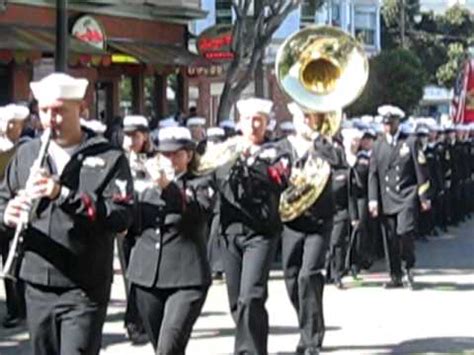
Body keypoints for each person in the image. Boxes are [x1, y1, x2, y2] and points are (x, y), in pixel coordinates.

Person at [0, 73, 134, 355]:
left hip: (84, 286)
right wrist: (6, 215)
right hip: (36, 282)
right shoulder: (26, 155)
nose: (51, 119)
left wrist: (62, 194)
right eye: (45, 111)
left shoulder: (109, 157)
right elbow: (2, 199)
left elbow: (121, 216)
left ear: (82, 109)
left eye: (60, 110)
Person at [213, 98, 290, 355]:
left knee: (252, 295)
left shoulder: (277, 150)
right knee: (237, 302)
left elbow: (279, 179)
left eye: (259, 119)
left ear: (267, 123)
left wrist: (250, 162)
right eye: (248, 119)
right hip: (230, 231)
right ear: (239, 122)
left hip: (261, 232)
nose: (253, 125)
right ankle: (256, 346)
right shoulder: (225, 150)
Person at [127, 126, 213, 354]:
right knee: (163, 349)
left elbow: (197, 214)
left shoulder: (201, 183)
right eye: (164, 154)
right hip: (148, 278)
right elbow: (130, 225)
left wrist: (166, 186)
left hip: (186, 278)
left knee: (169, 347)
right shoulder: (144, 185)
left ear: (189, 155)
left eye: (176, 153)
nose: (170, 158)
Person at [278, 103, 338, 355]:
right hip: (291, 220)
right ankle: (311, 323)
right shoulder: (282, 147)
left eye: (309, 116)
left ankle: (311, 340)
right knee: (291, 278)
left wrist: (317, 138)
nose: (305, 120)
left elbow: (338, 161)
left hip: (319, 221)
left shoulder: (324, 144)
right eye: (301, 116)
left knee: (308, 275)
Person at [368, 105, 430, 289]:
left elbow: (421, 171)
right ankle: (394, 275)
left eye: (391, 122)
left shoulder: (410, 142)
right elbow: (373, 174)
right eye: (385, 123)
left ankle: (408, 268)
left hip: (406, 196)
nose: (387, 126)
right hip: (387, 197)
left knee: (404, 232)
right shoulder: (378, 145)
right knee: (390, 238)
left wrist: (424, 196)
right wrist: (373, 200)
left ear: (398, 122)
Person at [0, 104, 30, 328]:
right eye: (8, 123)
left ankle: (17, 307)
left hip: (16, 209)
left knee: (14, 260)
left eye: (15, 124)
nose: (11, 128)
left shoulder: (25, 149)